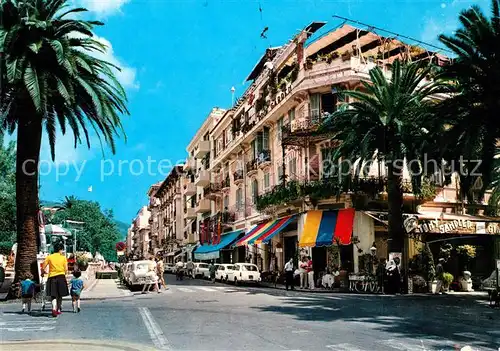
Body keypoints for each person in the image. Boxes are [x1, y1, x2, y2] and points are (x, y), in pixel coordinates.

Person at [42, 242, 69, 317]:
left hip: (52, 277)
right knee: (60, 295)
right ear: (60, 250)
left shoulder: (49, 257)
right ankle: (58, 309)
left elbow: (43, 266)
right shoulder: (63, 258)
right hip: (61, 276)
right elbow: (66, 269)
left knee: (53, 295)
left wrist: (43, 272)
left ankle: (54, 308)